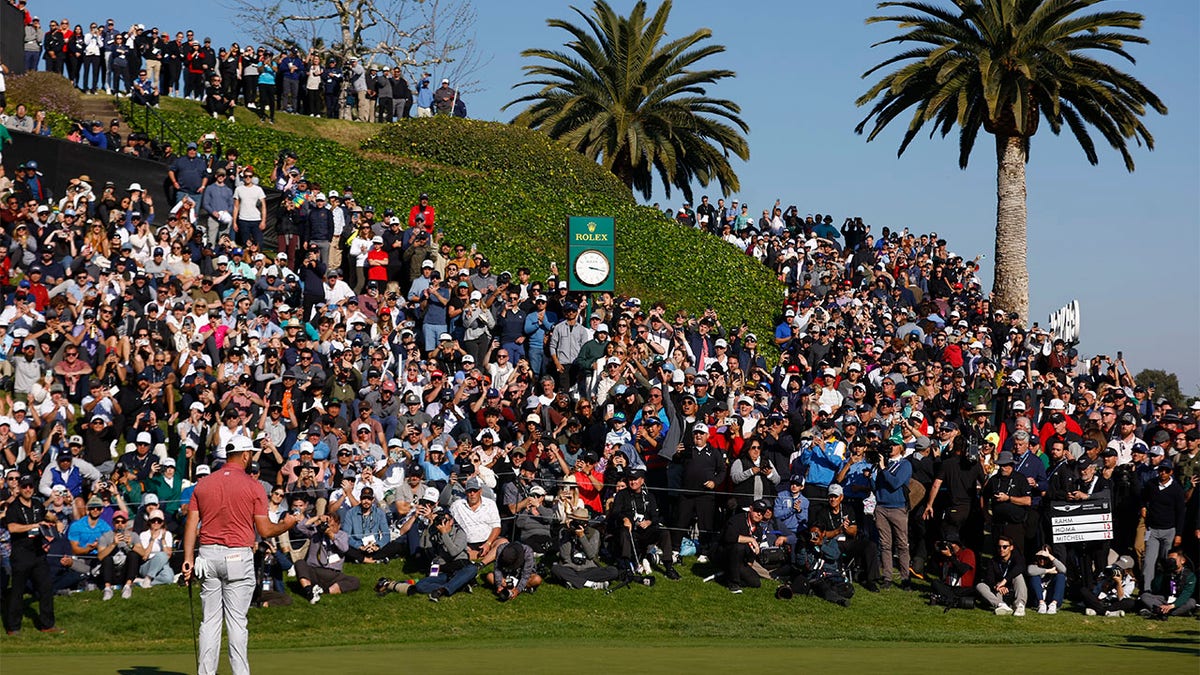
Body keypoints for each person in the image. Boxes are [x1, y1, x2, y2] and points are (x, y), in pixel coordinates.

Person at [182, 441, 299, 675]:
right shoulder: (253, 486)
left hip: (207, 555)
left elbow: (192, 522)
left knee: (210, 622)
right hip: (237, 555)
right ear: (246, 455)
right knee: (236, 621)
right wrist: (285, 525)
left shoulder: (203, 484)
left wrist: (188, 559)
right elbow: (265, 531)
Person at [3, 475, 61, 634]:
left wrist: (54, 520)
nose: (28, 489)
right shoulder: (14, 507)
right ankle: (13, 627)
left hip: (38, 552)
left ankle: (47, 625)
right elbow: (12, 528)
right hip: (21, 553)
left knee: (46, 587)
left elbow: (46, 516)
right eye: (24, 486)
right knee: (17, 592)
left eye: (30, 486)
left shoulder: (36, 503)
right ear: (19, 488)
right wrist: (35, 525)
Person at [293, 510, 359, 603]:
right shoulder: (316, 532)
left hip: (333, 574)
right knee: (300, 563)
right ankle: (309, 592)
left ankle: (323, 591)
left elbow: (344, 548)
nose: (329, 527)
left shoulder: (342, 535)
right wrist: (318, 517)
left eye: (332, 526)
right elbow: (300, 526)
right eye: (327, 525)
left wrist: (331, 535)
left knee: (354, 581)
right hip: (314, 570)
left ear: (339, 525)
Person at [550, 507, 620, 589]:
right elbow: (564, 555)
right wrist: (569, 534)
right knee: (555, 569)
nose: (577, 524)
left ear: (586, 523)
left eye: (580, 522)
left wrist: (582, 537)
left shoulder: (594, 533)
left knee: (613, 571)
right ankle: (590, 584)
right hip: (570, 567)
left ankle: (571, 580)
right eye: (575, 521)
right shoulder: (564, 531)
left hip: (589, 568)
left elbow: (591, 555)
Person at [1138, 547, 1197, 620]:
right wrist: (1161, 573)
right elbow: (1155, 589)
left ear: (1182, 561)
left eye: (1173, 559)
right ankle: (1168, 611)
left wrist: (1172, 606)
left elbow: (1186, 594)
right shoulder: (1166, 572)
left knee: (1191, 602)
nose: (1170, 561)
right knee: (1145, 596)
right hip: (1165, 599)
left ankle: (1160, 611)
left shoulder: (1189, 575)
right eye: (1169, 559)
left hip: (1178, 600)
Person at [975, 535, 1028, 616]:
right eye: (999, 547)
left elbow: (1020, 567)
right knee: (980, 586)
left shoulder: (1016, 558)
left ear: (1011, 547)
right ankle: (1001, 605)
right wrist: (997, 585)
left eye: (1005, 547)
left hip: (1012, 589)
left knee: (1018, 576)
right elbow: (989, 579)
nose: (1001, 549)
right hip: (998, 590)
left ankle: (1020, 606)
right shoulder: (993, 561)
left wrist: (1005, 581)